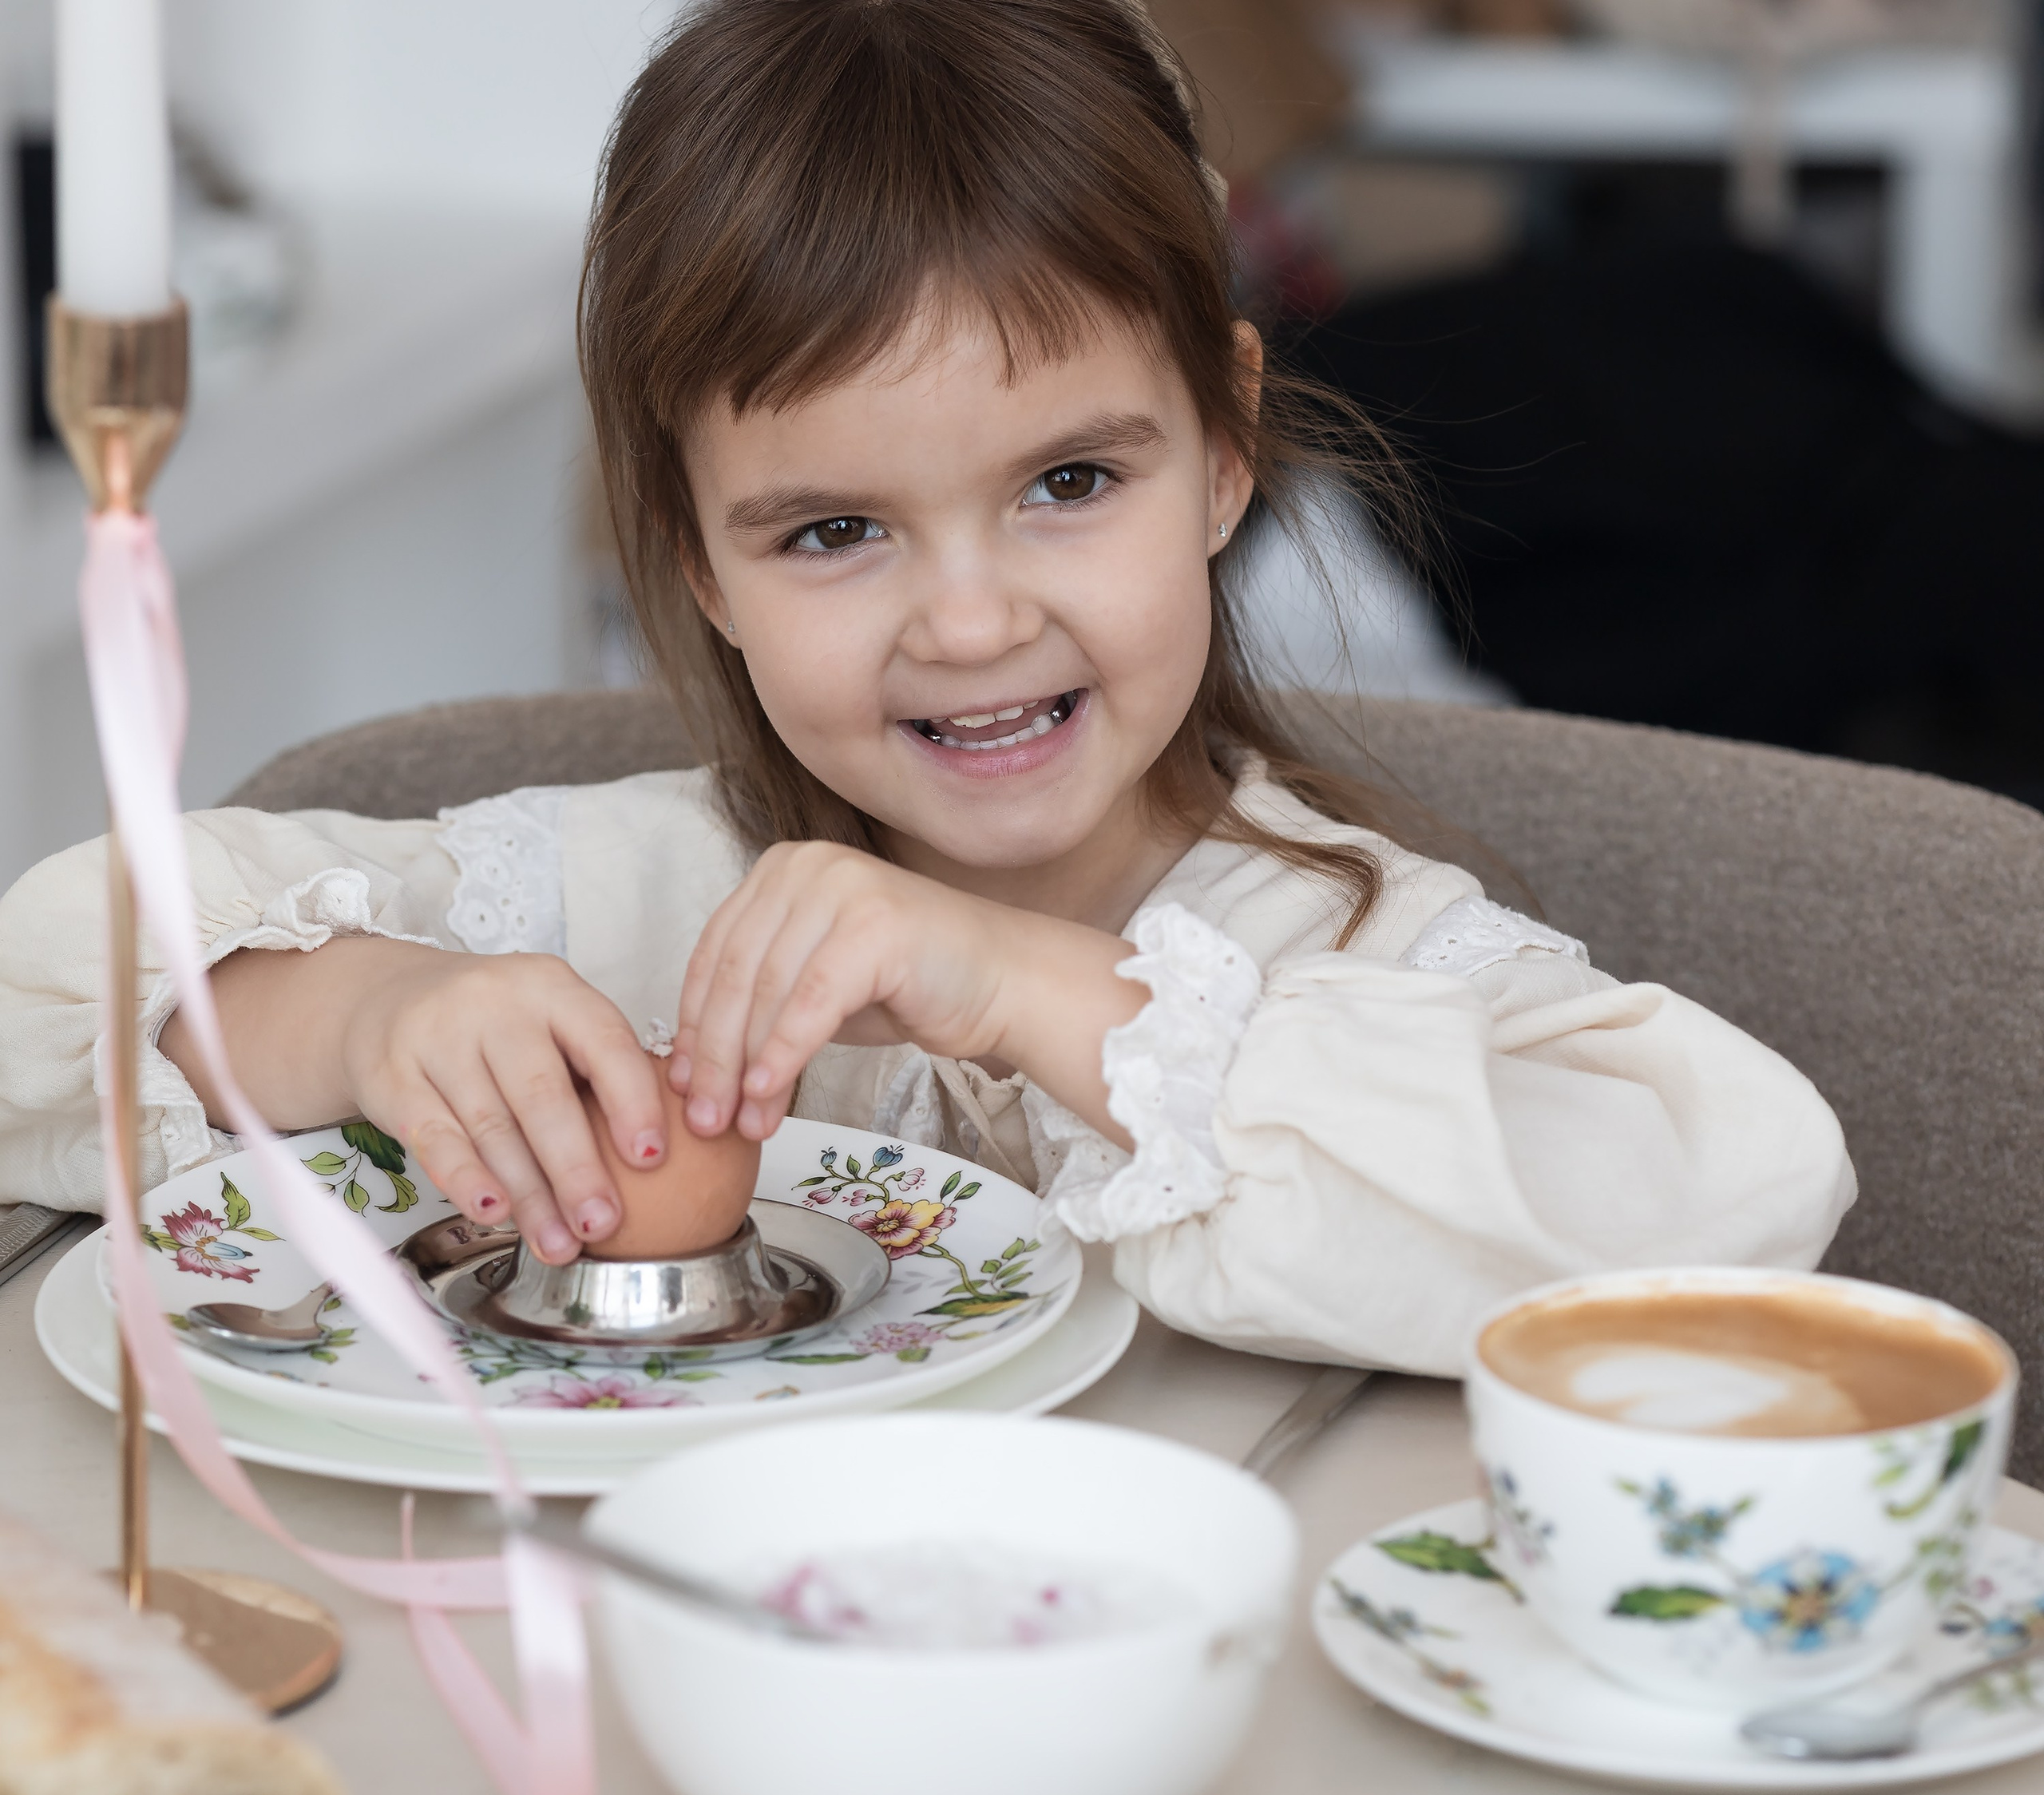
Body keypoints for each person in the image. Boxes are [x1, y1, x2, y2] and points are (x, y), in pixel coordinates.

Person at [0, 0, 1854, 1376]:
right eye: (830, 531)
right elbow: (54, 994)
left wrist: (1038, 994)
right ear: (698, 555)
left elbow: (1735, 1214)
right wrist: (370, 1013)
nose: (967, 624)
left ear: (1223, 450)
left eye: (1068, 483)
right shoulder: (621, 905)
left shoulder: (1339, 964)